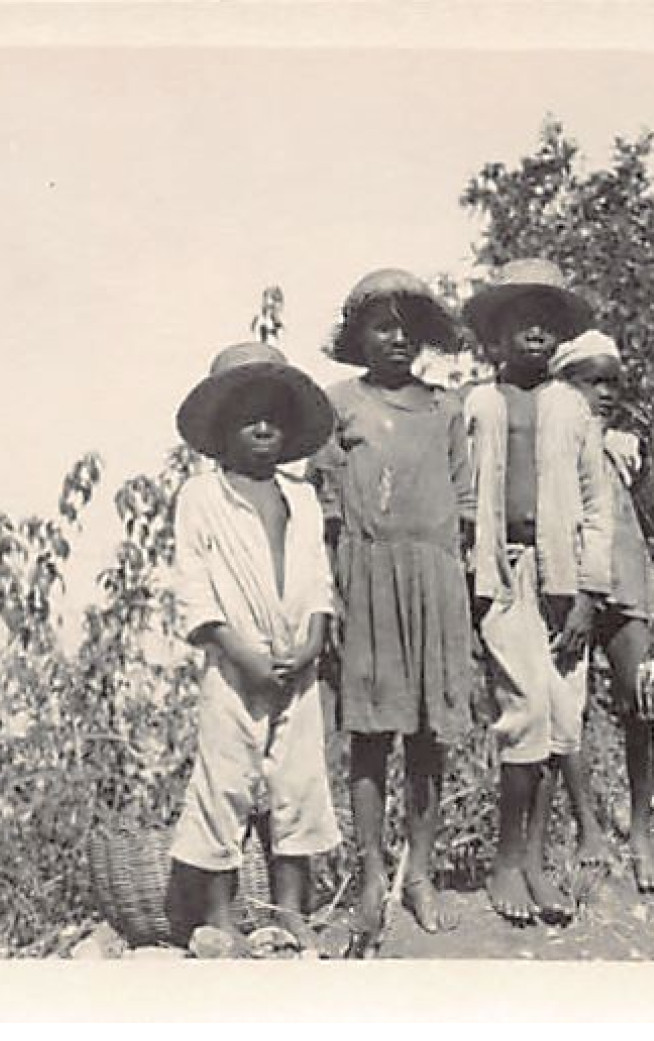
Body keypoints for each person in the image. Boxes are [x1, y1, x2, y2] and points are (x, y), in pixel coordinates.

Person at [308, 269, 476, 937]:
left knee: (429, 734)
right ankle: (373, 873)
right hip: (365, 575)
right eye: (381, 325)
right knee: (371, 733)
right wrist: (332, 599)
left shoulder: (445, 409)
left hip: (433, 577)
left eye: (408, 326)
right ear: (358, 336)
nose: (396, 338)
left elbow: (463, 506)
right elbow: (322, 512)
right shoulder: (338, 404)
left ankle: (421, 871)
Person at [168, 340, 342, 948]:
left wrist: (314, 640)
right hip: (234, 660)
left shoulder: (302, 496)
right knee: (226, 777)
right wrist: (239, 652)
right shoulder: (201, 498)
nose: (264, 427)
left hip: (297, 659)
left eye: (273, 416)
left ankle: (291, 909)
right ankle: (218, 915)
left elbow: (319, 579)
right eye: (249, 417)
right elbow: (193, 588)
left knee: (299, 781)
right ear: (222, 429)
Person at [463, 258, 612, 925]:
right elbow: (465, 498)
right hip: (504, 575)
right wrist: (469, 582)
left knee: (558, 715)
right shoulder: (479, 405)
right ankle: (504, 856)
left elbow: (596, 504)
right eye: (518, 319)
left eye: (545, 321)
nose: (533, 332)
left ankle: (534, 860)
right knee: (520, 709)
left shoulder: (572, 408)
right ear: (494, 334)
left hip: (563, 580)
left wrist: (588, 593)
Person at [550, 332, 654, 895]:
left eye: (610, 382)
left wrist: (642, 465)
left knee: (640, 699)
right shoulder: (550, 438)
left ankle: (642, 832)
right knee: (565, 705)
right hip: (569, 583)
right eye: (588, 380)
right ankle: (587, 827)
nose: (602, 393)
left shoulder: (622, 444)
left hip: (625, 579)